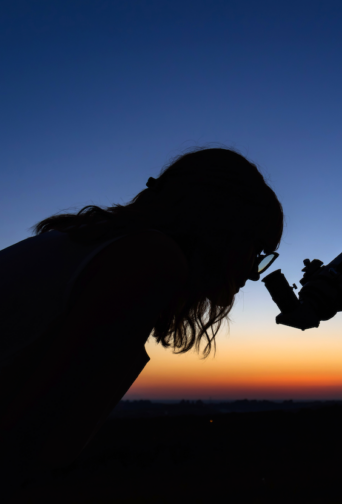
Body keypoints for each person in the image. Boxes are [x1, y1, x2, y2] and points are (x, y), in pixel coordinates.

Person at [0, 148, 284, 496]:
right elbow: (41, 441)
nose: (254, 273)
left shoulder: (86, 241)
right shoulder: (152, 261)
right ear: (224, 227)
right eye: (257, 251)